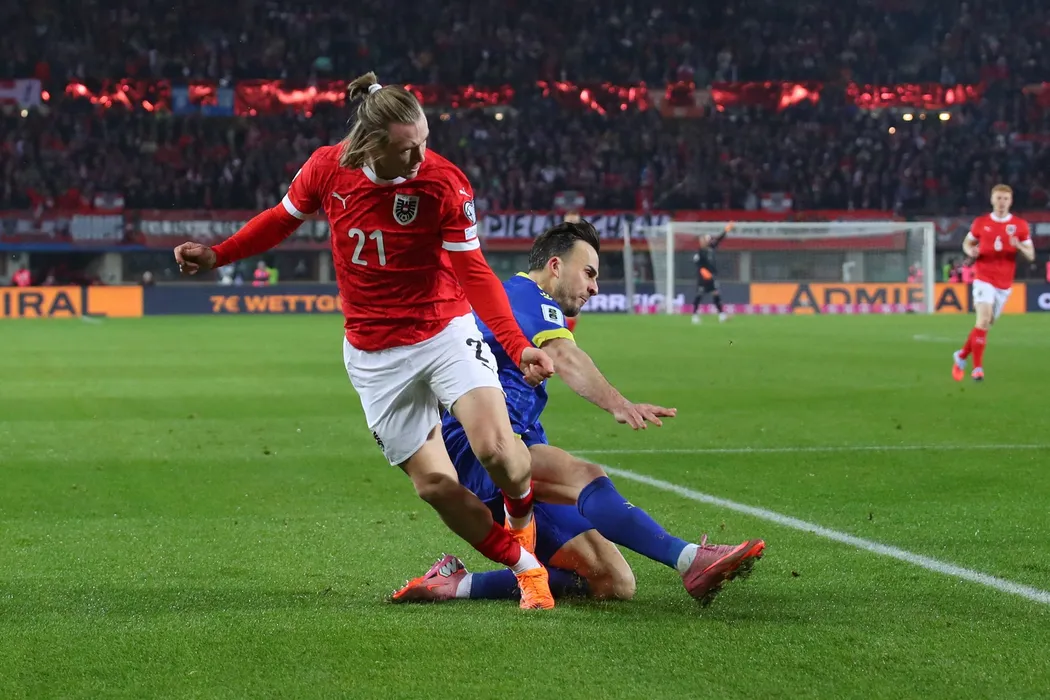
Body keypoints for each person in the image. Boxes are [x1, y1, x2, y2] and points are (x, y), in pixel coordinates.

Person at [172, 72, 558, 610]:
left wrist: (517, 345)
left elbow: (474, 272)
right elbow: (280, 221)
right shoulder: (327, 168)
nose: (421, 156)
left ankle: (521, 513)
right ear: (373, 144)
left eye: (424, 141)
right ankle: (526, 568)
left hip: (444, 331)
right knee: (435, 486)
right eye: (408, 148)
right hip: (376, 356)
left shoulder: (444, 182)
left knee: (496, 449)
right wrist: (219, 254)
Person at [392, 220, 766, 606]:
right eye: (588, 273)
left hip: (515, 444)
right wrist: (619, 404)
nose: (594, 287)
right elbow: (565, 356)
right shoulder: (526, 294)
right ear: (555, 266)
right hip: (480, 449)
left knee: (613, 582)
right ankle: (691, 560)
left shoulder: (522, 302)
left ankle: (456, 584)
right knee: (583, 475)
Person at [952, 184, 1035, 382]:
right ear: (992, 199)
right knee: (982, 320)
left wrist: (1019, 245)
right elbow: (967, 243)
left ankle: (962, 355)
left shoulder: (1020, 225)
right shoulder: (981, 222)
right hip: (983, 277)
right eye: (998, 198)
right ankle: (977, 369)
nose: (1001, 202)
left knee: (987, 324)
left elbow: (1031, 255)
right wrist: (970, 251)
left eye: (1005, 199)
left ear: (1011, 201)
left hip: (1004, 283)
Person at [691, 223, 733, 324]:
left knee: (716, 294)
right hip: (703, 278)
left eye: (705, 240)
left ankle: (722, 315)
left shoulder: (711, 248)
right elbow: (699, 266)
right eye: (703, 240)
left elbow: (719, 239)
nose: (704, 241)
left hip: (711, 277)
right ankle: (695, 315)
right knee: (699, 295)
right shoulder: (699, 253)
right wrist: (704, 273)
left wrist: (726, 230)